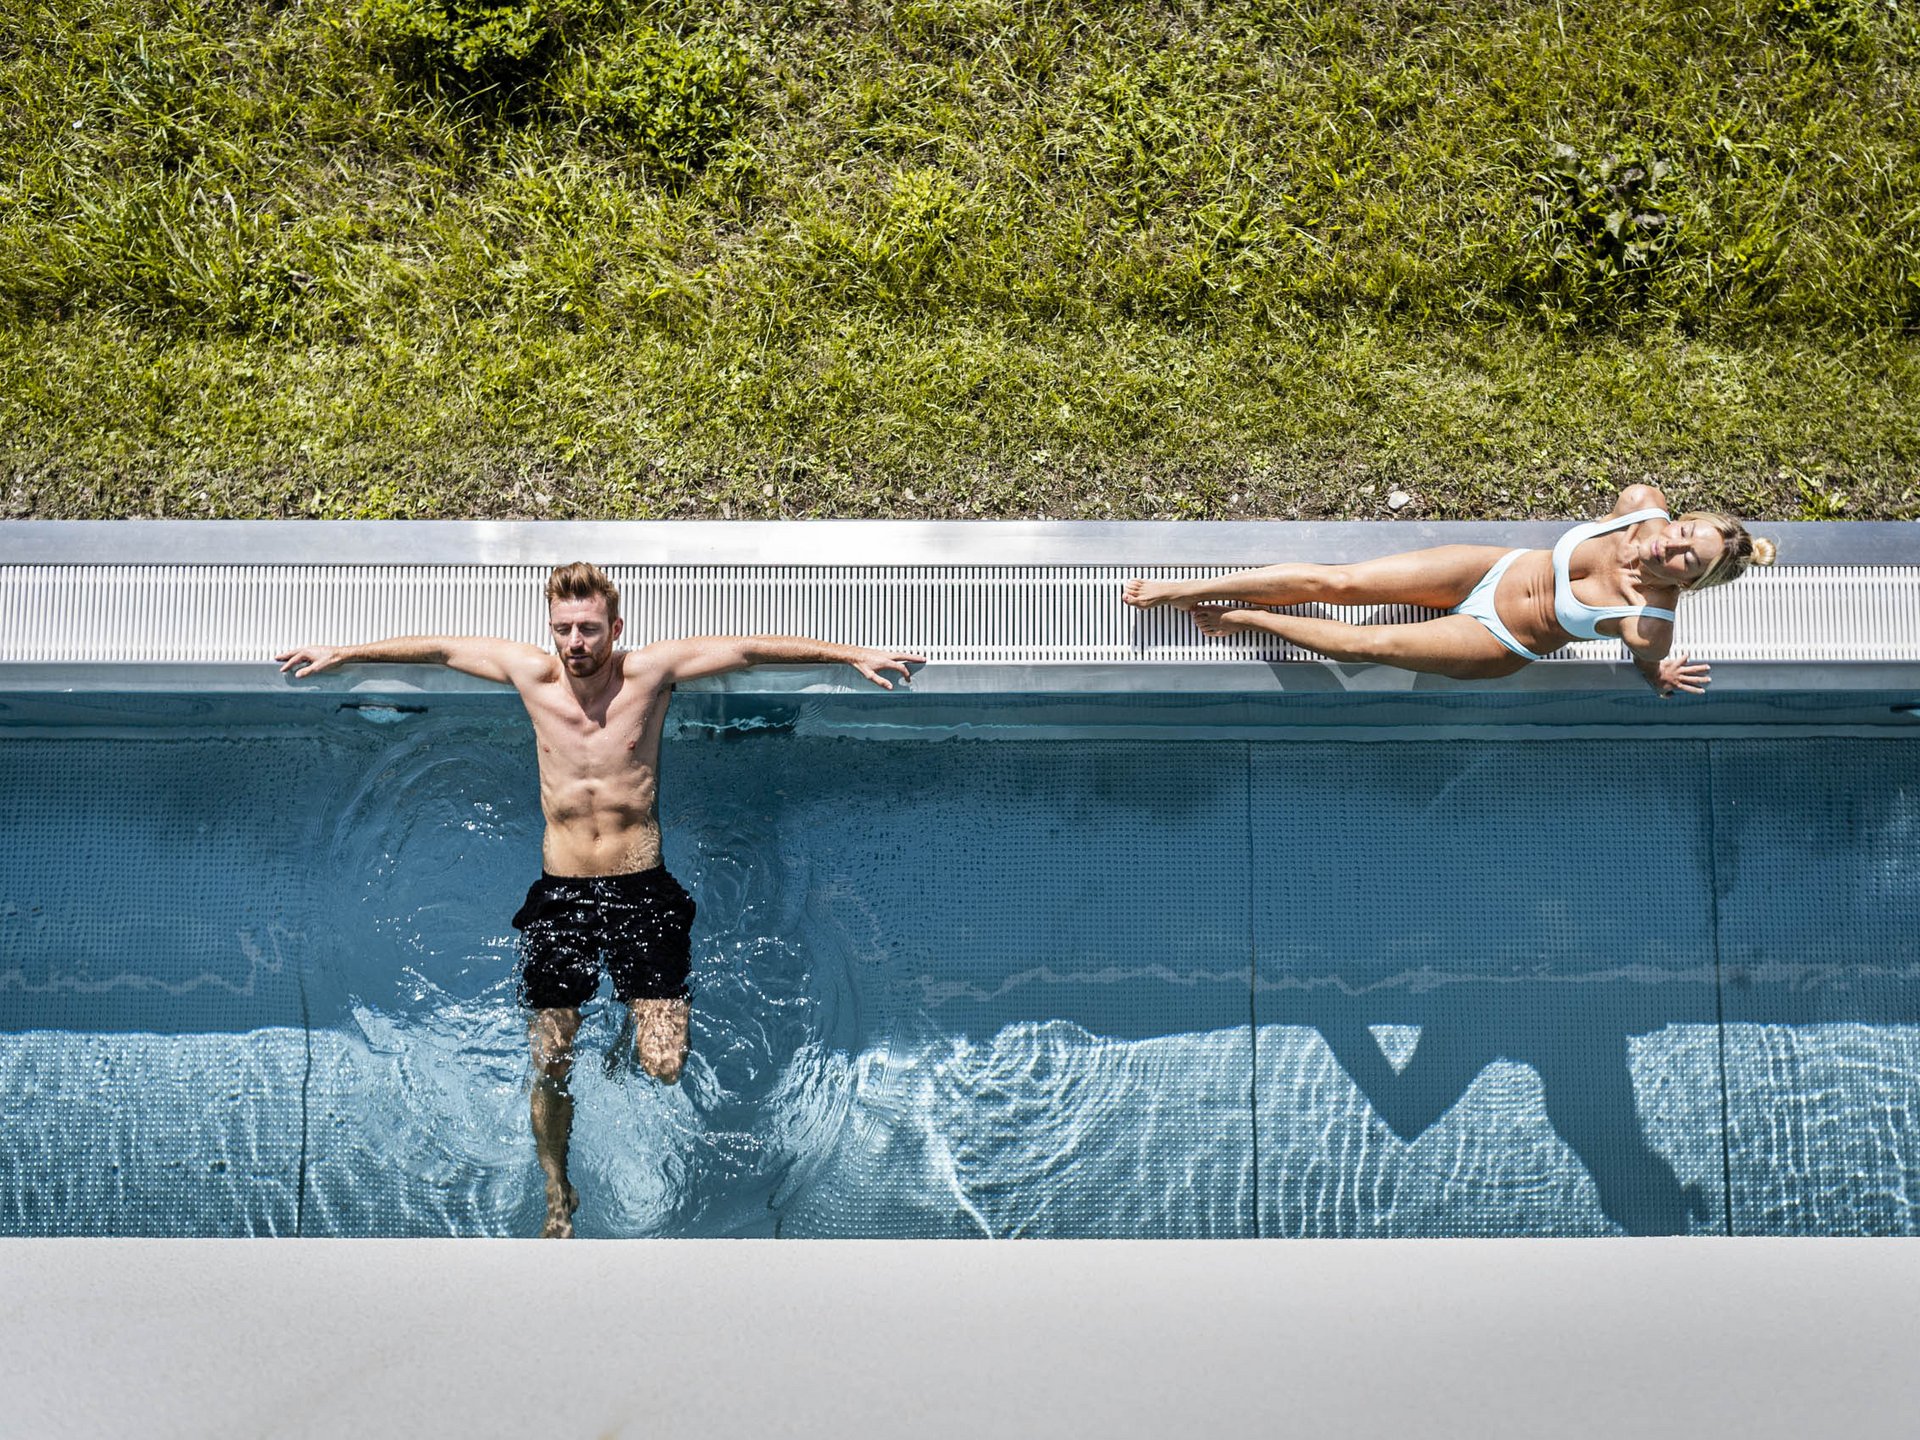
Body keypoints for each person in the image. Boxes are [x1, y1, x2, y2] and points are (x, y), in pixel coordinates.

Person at [277, 562, 924, 1237]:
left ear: (616, 628)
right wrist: (345, 653)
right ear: (550, 629)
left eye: (589, 629)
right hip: (560, 897)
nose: (576, 642)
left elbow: (745, 647)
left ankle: (630, 1018)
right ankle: (559, 1188)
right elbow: (442, 647)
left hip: (642, 891)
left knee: (664, 1065)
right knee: (550, 1059)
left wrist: (850, 653)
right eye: (564, 629)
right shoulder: (532, 675)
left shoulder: (648, 674)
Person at [1122, 484, 1777, 695]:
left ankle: (1244, 618)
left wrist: (1657, 674)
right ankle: (1184, 588)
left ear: (1691, 582)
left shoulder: (1649, 615)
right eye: (1687, 530)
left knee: (1363, 646)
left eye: (1688, 559)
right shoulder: (1641, 505)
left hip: (1498, 639)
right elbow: (1640, 504)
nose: (1672, 546)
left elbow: (1643, 652)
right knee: (1339, 581)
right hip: (1490, 570)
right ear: (1682, 517)